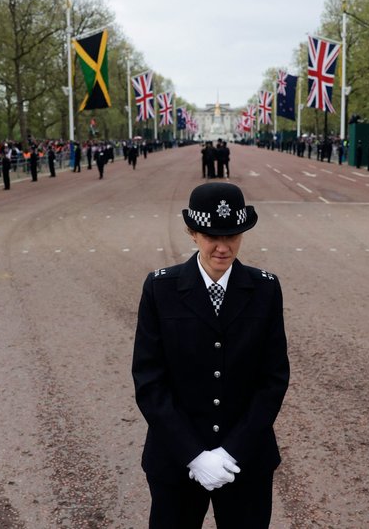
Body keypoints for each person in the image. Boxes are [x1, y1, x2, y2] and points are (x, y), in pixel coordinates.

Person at [132, 182, 289, 529]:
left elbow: (273, 378)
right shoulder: (160, 289)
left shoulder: (265, 288)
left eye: (233, 235)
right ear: (192, 232)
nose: (223, 246)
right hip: (176, 460)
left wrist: (232, 451)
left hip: (246, 460)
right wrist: (194, 454)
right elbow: (149, 380)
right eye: (210, 236)